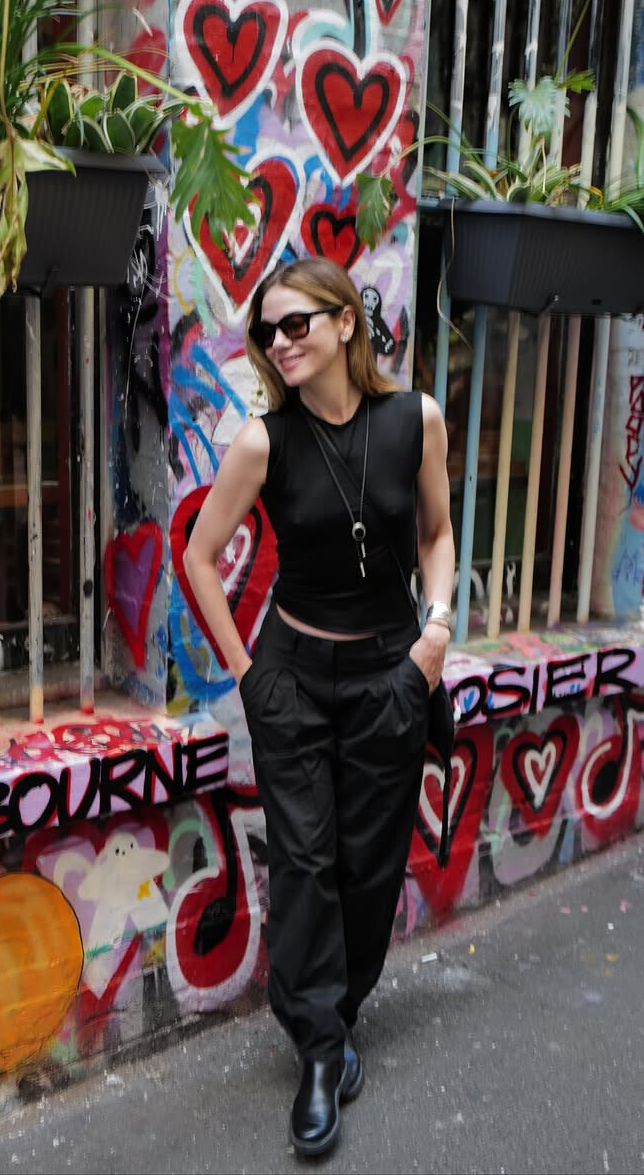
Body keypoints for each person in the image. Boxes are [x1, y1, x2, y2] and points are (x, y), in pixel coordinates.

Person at [183, 257, 455, 1158]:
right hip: (293, 677)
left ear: (345, 323)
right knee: (304, 861)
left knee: (369, 862)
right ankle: (318, 1050)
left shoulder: (415, 420)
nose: (280, 342)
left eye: (296, 323)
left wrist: (437, 630)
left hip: (390, 671)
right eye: (267, 331)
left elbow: (437, 533)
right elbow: (199, 557)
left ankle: (338, 1020)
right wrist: (246, 673)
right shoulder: (264, 442)